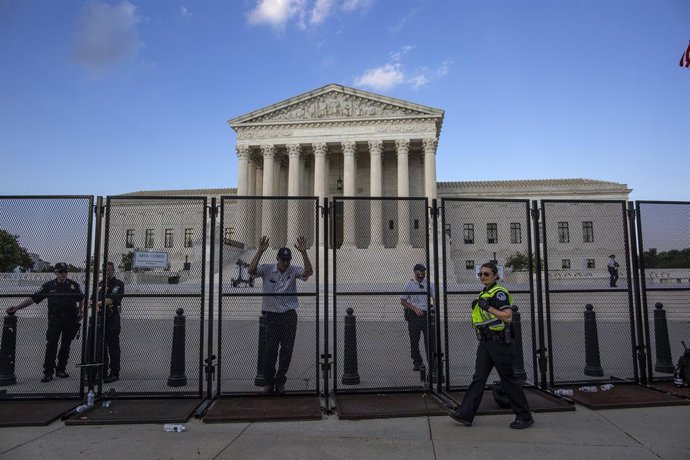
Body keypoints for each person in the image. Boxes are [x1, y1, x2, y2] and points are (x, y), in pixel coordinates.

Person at [448, 262, 534, 429]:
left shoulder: (499, 292)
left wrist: (488, 307)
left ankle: (524, 416)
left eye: (486, 274)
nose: (482, 277)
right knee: (478, 378)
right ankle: (465, 414)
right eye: (480, 274)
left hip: (499, 342)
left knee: (508, 380)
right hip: (486, 342)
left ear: (495, 275)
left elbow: (508, 317)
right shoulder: (484, 292)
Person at [248, 235, 313, 394]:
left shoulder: (293, 270)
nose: (285, 263)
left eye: (288, 260)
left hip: (289, 316)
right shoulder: (267, 269)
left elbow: (308, 272)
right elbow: (251, 270)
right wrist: (260, 251)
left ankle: (280, 381)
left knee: (286, 351)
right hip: (271, 316)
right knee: (270, 350)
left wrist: (304, 253)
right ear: (278, 259)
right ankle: (269, 382)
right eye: (283, 260)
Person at [6, 262, 85, 382]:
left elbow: (81, 298)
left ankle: (61, 370)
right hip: (55, 320)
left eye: (65, 271)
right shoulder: (49, 286)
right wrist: (17, 307)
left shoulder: (74, 286)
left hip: (70, 320)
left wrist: (81, 312)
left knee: (65, 346)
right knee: (51, 345)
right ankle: (48, 372)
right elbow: (33, 298)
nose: (63, 274)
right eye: (60, 272)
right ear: (56, 273)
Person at [400, 263, 436, 372]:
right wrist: (414, 309)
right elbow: (403, 301)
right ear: (415, 272)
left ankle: (431, 362)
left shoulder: (429, 284)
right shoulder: (409, 284)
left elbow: (435, 298)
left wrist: (433, 308)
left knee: (429, 340)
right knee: (414, 340)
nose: (422, 274)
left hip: (426, 314)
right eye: (420, 272)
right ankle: (417, 362)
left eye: (423, 272)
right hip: (413, 315)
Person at [95, 262, 125, 383]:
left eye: (109, 270)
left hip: (112, 319)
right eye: (104, 270)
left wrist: (99, 303)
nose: (106, 272)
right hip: (101, 318)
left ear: (113, 271)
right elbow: (94, 298)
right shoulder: (100, 284)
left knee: (113, 347)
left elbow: (114, 299)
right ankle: (102, 371)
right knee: (101, 347)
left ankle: (114, 372)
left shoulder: (118, 284)